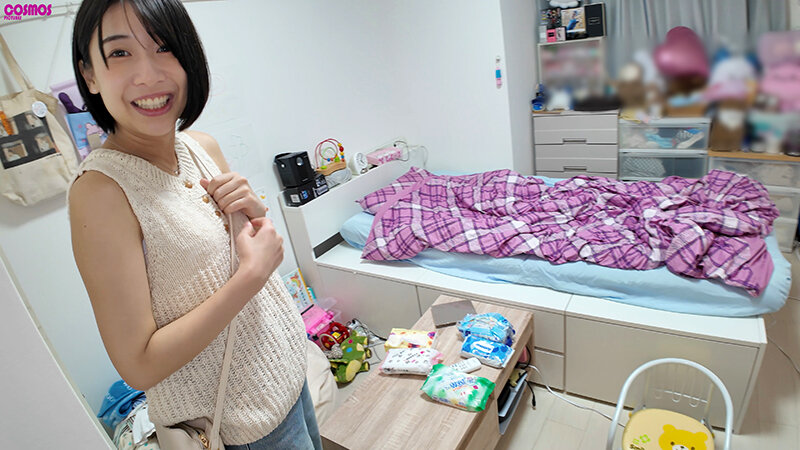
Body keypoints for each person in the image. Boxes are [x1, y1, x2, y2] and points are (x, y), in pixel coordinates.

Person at [68, 1, 320, 448]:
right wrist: (253, 275)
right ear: (89, 75)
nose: (148, 75)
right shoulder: (101, 193)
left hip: (287, 375)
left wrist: (255, 215)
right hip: (240, 424)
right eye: (121, 53)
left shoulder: (202, 146)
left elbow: (241, 252)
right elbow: (139, 365)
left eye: (164, 47)